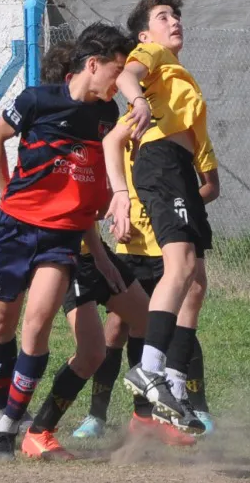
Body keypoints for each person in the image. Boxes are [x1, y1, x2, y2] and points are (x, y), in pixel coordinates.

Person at [0, 23, 135, 461]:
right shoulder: (37, 99)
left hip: (61, 236)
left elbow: (101, 172)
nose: (119, 82)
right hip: (15, 230)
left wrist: (103, 235)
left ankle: (8, 431)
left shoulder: (108, 116)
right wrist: (5, 191)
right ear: (92, 65)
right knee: (1, 325)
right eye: (116, 72)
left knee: (37, 325)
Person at [104, 0, 218, 433]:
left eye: (177, 16)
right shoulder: (149, 53)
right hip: (161, 164)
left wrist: (187, 197)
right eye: (164, 16)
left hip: (179, 174)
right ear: (145, 32)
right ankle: (150, 368)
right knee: (182, 266)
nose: (175, 22)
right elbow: (126, 77)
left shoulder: (182, 79)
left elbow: (212, 182)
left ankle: (171, 376)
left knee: (195, 283)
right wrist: (136, 101)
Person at [74, 141, 220, 442]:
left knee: (179, 323)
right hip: (131, 249)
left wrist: (174, 210)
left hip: (169, 247)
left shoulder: (186, 134)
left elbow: (211, 187)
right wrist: (115, 218)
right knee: (116, 327)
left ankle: (197, 407)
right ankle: (96, 415)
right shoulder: (118, 141)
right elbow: (105, 197)